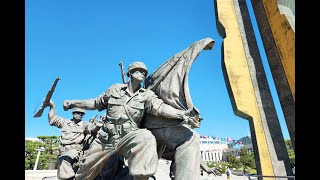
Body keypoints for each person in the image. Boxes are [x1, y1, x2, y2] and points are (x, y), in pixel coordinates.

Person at [63, 61, 198, 180]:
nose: (143, 74)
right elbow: (95, 103)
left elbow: (160, 108)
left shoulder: (146, 95)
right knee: (84, 173)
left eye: (145, 72)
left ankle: (141, 176)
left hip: (129, 136)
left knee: (145, 136)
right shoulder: (114, 89)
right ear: (131, 73)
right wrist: (74, 103)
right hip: (106, 139)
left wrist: (182, 114)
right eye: (140, 71)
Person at [48, 100, 103, 180]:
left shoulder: (85, 124)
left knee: (63, 160)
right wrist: (52, 107)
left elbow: (92, 129)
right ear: (73, 113)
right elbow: (52, 119)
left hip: (75, 152)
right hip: (62, 151)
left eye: (82, 114)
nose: (80, 115)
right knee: (63, 161)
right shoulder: (65, 122)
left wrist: (98, 126)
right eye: (78, 113)